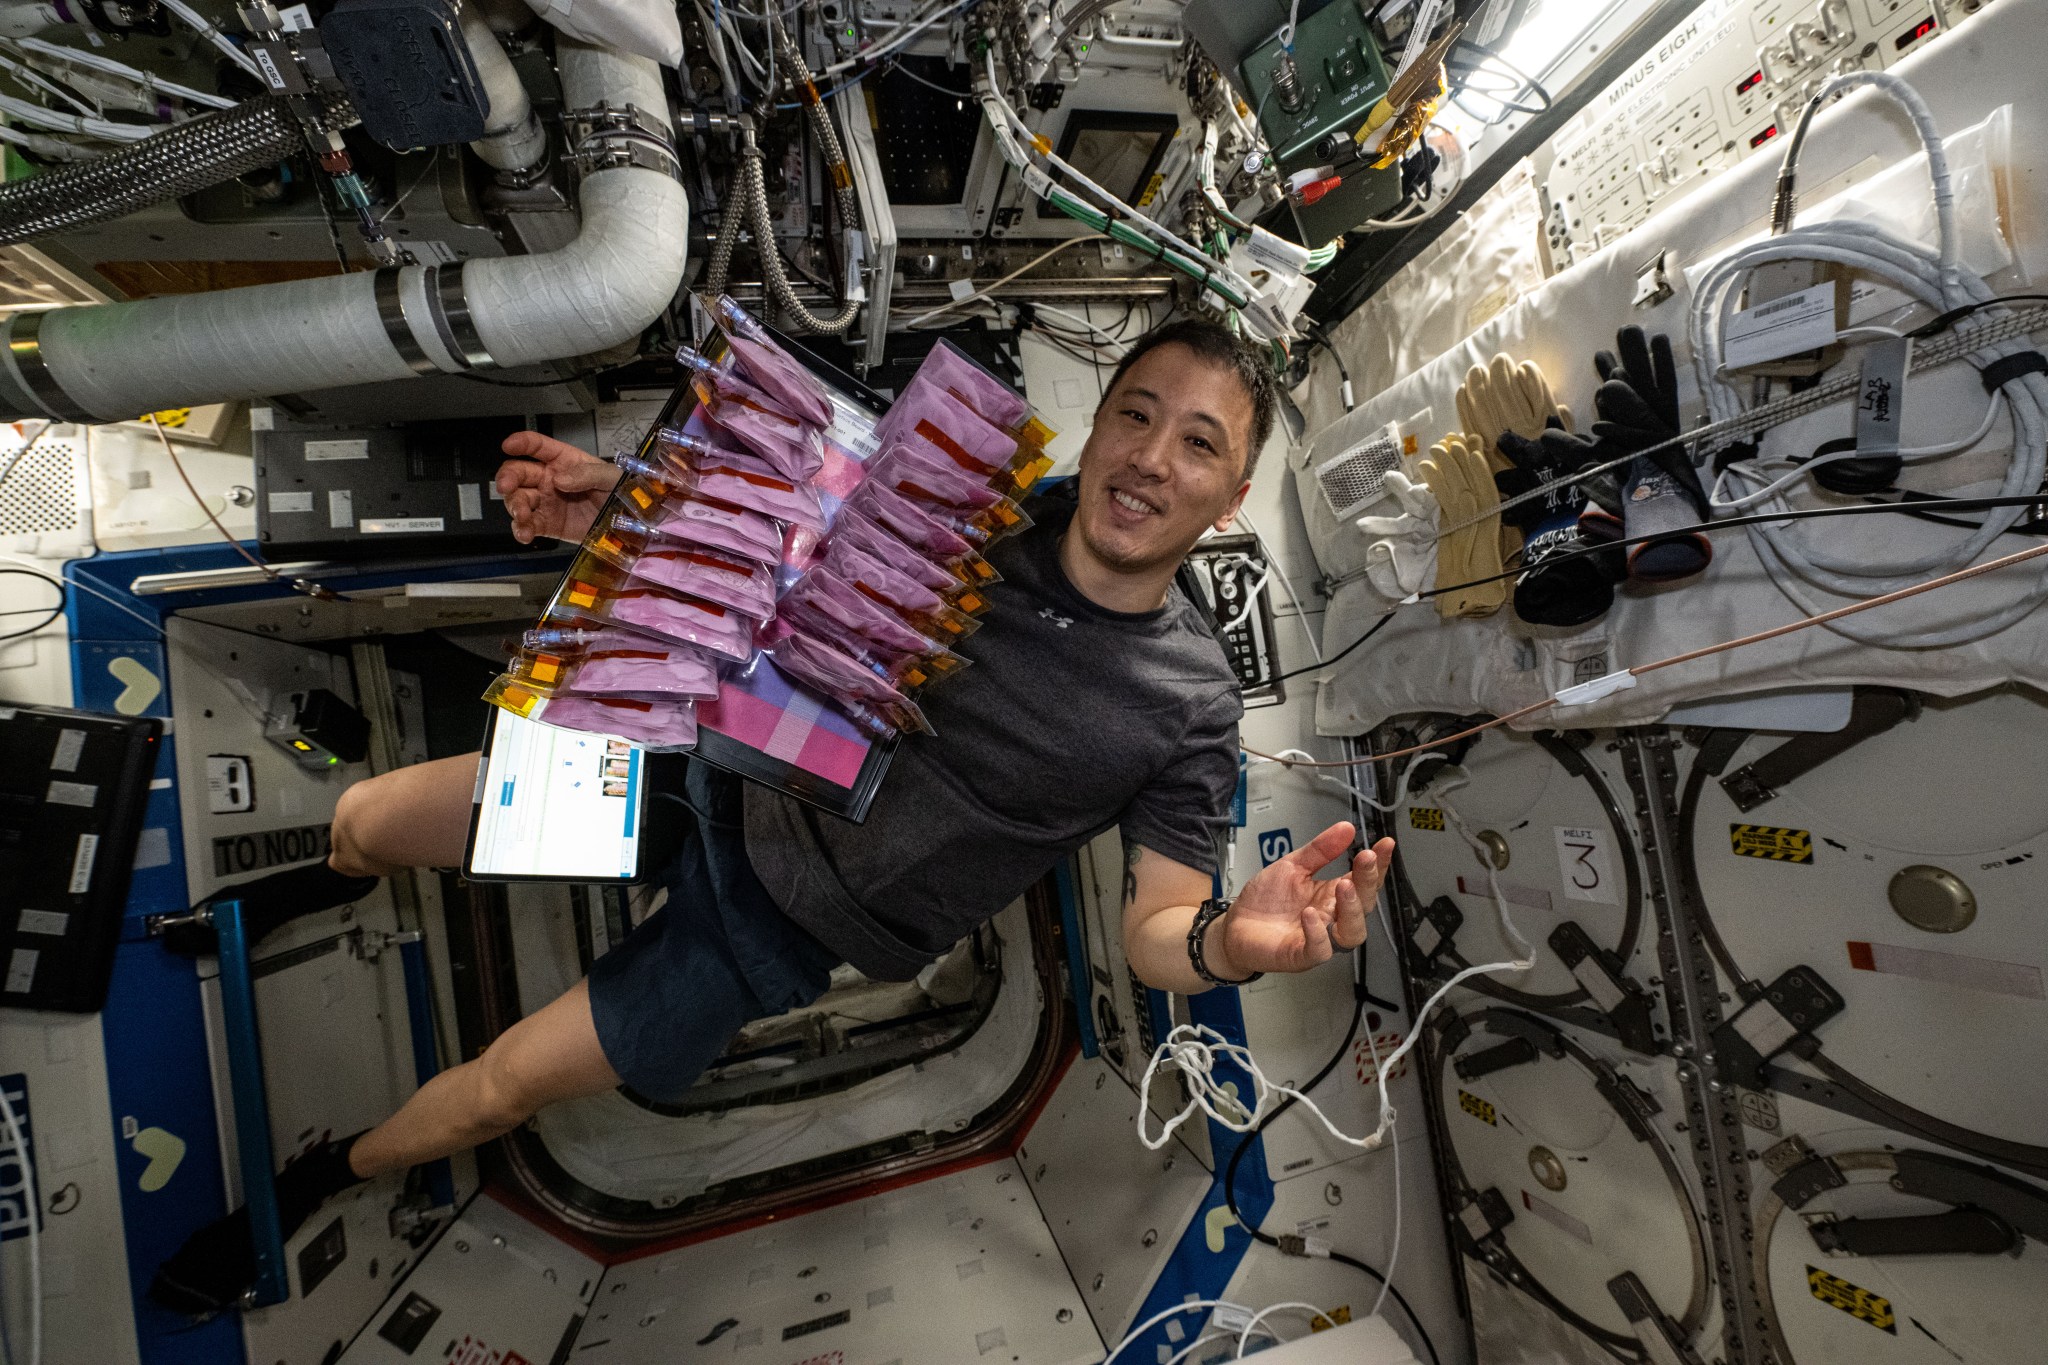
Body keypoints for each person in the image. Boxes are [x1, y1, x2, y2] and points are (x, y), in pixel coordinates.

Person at [149, 317, 1398, 1313]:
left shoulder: (1187, 704)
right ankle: (338, 876)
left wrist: (1232, 941)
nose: (1149, 459)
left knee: (493, 1094)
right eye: (1135, 414)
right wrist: (623, 505)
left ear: (1229, 497)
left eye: (1195, 444)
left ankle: (326, 1171)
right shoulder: (966, 506)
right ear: (1097, 422)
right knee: (368, 814)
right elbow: (767, 545)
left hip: (778, 930)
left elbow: (1157, 922)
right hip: (694, 775)